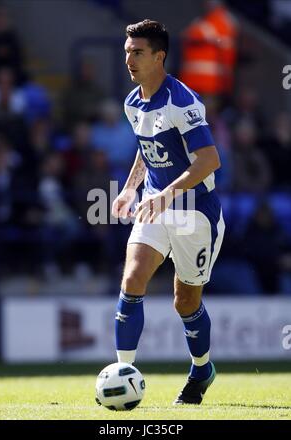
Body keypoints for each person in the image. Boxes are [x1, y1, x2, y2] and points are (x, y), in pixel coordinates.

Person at [111, 19, 225, 405]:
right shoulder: (132, 102)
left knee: (185, 301)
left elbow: (209, 160)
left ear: (160, 56)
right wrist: (130, 188)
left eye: (138, 52)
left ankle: (201, 369)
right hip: (155, 203)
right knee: (133, 277)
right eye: (127, 51)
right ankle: (122, 373)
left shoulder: (183, 102)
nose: (130, 59)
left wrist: (169, 194)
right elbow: (147, 150)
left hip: (195, 212)